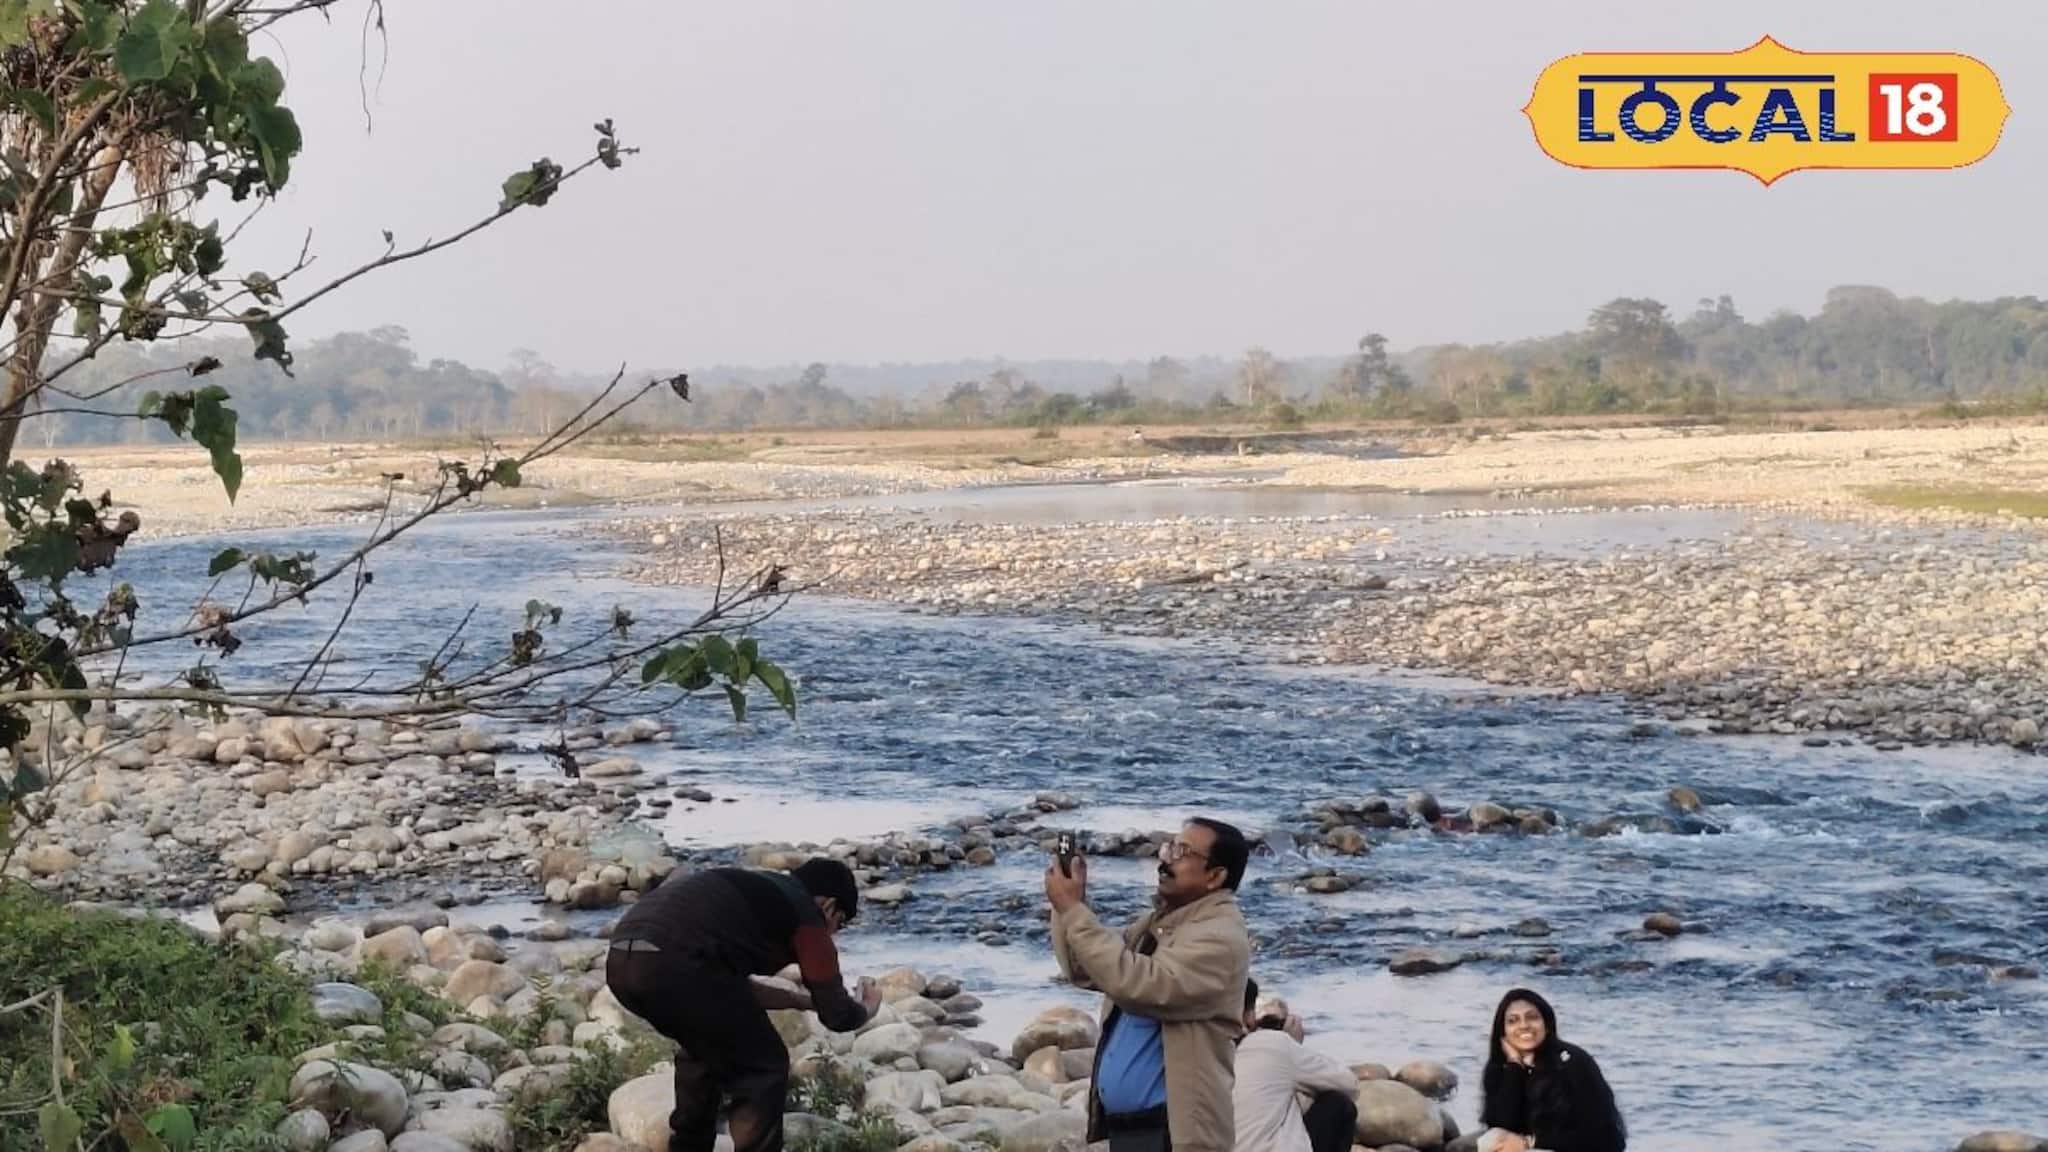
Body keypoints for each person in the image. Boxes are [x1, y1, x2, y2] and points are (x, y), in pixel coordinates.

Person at [605, 859, 884, 1152]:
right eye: (840, 924)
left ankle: (688, 1147)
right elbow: (838, 1015)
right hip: (675, 963)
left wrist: (801, 1001)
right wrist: (867, 1008)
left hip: (623, 960)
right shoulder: (806, 915)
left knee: (705, 1045)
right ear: (829, 906)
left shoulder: (760, 892)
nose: (834, 934)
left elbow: (726, 987)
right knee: (764, 1065)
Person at [1044, 818, 1254, 1152]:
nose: (1165, 859)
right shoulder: (1162, 924)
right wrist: (1070, 906)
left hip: (1174, 1133)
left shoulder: (1220, 938)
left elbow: (1140, 984)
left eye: (1182, 852)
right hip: (1131, 1130)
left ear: (1215, 876)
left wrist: (1073, 912)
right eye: (1170, 847)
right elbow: (1087, 969)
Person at [1477, 988, 1626, 1152]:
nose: (1524, 1026)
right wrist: (1515, 1066)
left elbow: (1602, 1135)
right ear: (1502, 1032)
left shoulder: (1572, 1062)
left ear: (1547, 1025)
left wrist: (1530, 1142)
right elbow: (1502, 1124)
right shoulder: (1501, 1068)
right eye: (1513, 1020)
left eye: (1532, 1017)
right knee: (1491, 1140)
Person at [1231, 979, 1360, 1152]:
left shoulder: (1199, 1053)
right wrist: (1293, 1045)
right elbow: (1349, 1085)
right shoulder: (1272, 1043)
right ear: (1248, 1017)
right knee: (1339, 1104)